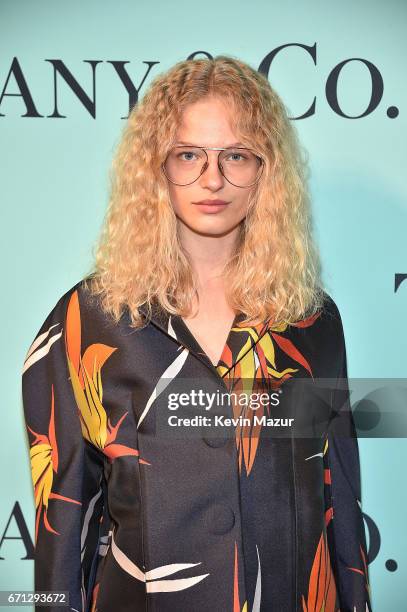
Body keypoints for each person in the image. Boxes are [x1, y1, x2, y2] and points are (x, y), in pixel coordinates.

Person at [21, 56, 372, 612]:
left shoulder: (313, 322)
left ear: (267, 170)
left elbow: (339, 501)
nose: (213, 179)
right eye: (188, 155)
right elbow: (64, 517)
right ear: (155, 168)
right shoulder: (87, 319)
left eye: (236, 155)